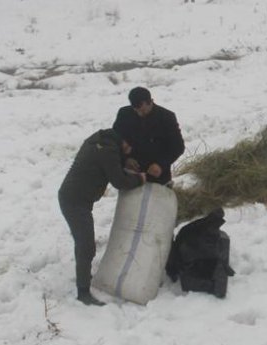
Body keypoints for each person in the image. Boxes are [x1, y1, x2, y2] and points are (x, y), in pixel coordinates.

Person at [58, 129, 147, 306]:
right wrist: (140, 180)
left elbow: (106, 164)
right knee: (86, 245)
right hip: (75, 202)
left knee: (84, 243)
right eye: (129, 149)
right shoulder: (107, 150)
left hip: (73, 198)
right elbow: (119, 182)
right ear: (124, 143)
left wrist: (124, 161)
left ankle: (83, 274)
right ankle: (83, 293)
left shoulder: (100, 141)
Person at [112, 87, 185, 186]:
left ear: (151, 102)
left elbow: (178, 147)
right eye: (136, 111)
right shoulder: (124, 114)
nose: (140, 114)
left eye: (143, 111)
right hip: (132, 174)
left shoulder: (166, 117)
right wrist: (125, 159)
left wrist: (161, 164)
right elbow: (115, 139)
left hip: (158, 174)